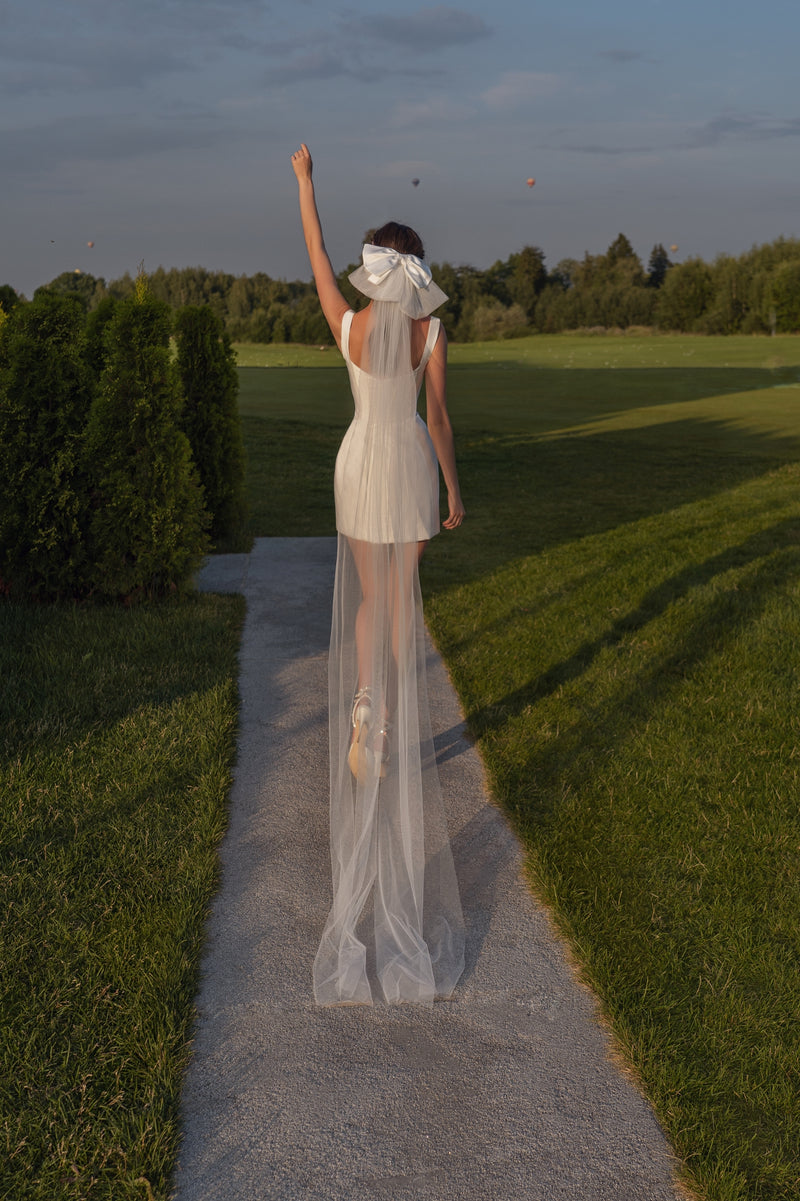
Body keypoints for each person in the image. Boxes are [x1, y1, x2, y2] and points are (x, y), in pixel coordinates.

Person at [291, 143, 465, 1006]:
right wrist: (456, 488)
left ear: (373, 271)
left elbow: (317, 258)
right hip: (408, 465)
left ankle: (365, 706)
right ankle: (386, 713)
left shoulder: (348, 323)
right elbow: (437, 412)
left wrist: (304, 184)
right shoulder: (431, 329)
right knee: (401, 598)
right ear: (417, 269)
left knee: (365, 593)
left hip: (357, 461)